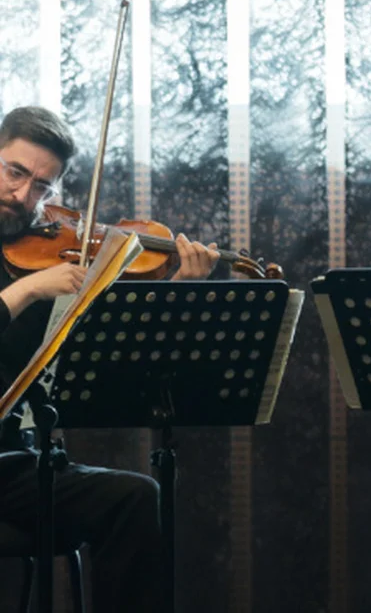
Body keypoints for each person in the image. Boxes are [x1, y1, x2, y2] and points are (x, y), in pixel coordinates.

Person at [0, 105, 220, 612]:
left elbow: (119, 351)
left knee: (136, 497)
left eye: (42, 187)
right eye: (15, 172)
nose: (23, 195)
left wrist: (179, 291)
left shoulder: (55, 257)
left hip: (14, 462)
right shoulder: (40, 279)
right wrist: (32, 288)